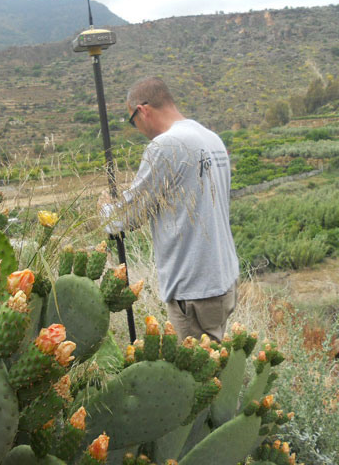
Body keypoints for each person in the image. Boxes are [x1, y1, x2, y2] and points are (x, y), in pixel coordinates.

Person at [98, 77, 239, 342]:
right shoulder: (210, 137)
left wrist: (106, 209)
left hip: (193, 288)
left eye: (133, 121)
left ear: (143, 111)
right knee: (214, 368)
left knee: (195, 378)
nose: (137, 128)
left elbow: (126, 216)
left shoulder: (166, 145)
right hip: (223, 280)